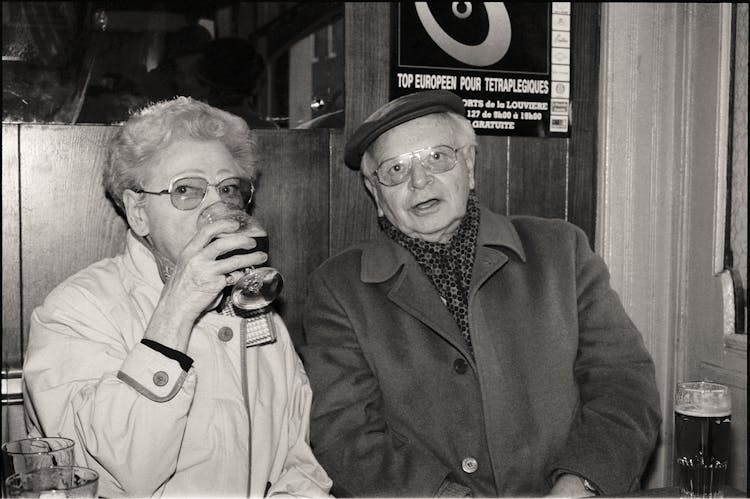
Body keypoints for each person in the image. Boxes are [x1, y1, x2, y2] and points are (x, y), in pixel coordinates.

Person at [301, 90, 662, 497]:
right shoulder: (340, 288)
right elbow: (343, 433)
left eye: (437, 158)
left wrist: (580, 483)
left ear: (469, 166)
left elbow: (623, 384)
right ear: (377, 196)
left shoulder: (561, 251)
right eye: (396, 169)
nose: (420, 181)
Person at [22, 97, 332, 498]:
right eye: (187, 189)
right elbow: (105, 475)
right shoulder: (74, 311)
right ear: (137, 210)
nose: (217, 206)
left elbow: (298, 461)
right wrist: (178, 306)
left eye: (229, 189)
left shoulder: (256, 311)